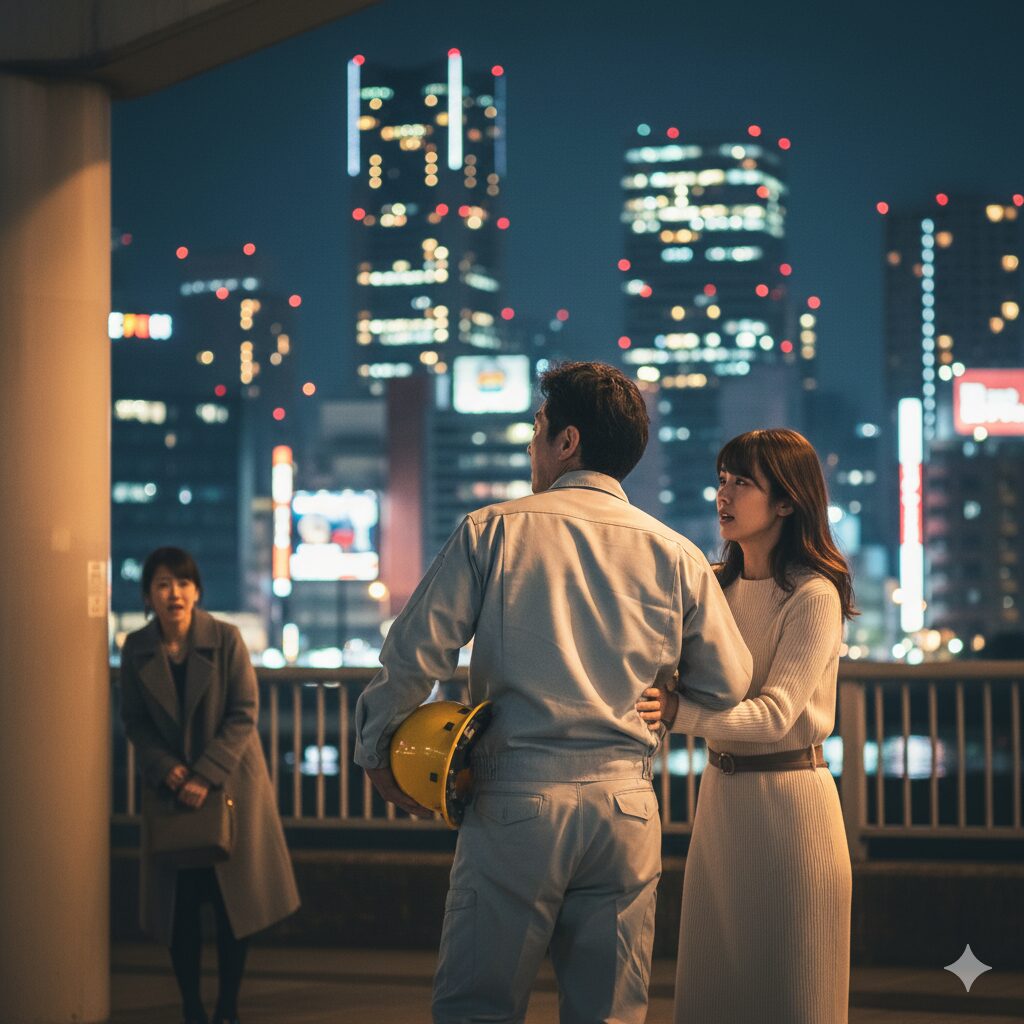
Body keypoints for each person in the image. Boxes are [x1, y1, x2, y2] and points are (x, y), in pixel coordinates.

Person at [354, 361, 753, 1024]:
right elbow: (731, 681)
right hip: (627, 804)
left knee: (477, 1006)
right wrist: (674, 702)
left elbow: (415, 653)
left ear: (566, 441)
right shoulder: (675, 553)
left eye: (538, 430)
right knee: (610, 1012)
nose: (533, 445)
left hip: (517, 799)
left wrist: (376, 748)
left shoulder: (495, 530)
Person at [637, 428, 855, 1024]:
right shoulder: (712, 586)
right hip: (723, 801)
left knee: (794, 989)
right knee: (714, 984)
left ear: (786, 500)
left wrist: (683, 714)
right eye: (721, 479)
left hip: (792, 808)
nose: (723, 495)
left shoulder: (812, 595)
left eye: (742, 482)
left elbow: (778, 714)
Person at [120, 547, 299, 1024]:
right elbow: (134, 723)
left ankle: (228, 1008)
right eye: (162, 584)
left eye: (182, 583)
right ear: (148, 596)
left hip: (228, 789)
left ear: (197, 592)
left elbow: (244, 713)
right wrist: (167, 770)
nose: (173, 593)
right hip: (171, 794)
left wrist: (203, 774)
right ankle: (192, 1008)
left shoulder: (225, 639)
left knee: (230, 909)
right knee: (180, 910)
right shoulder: (135, 648)